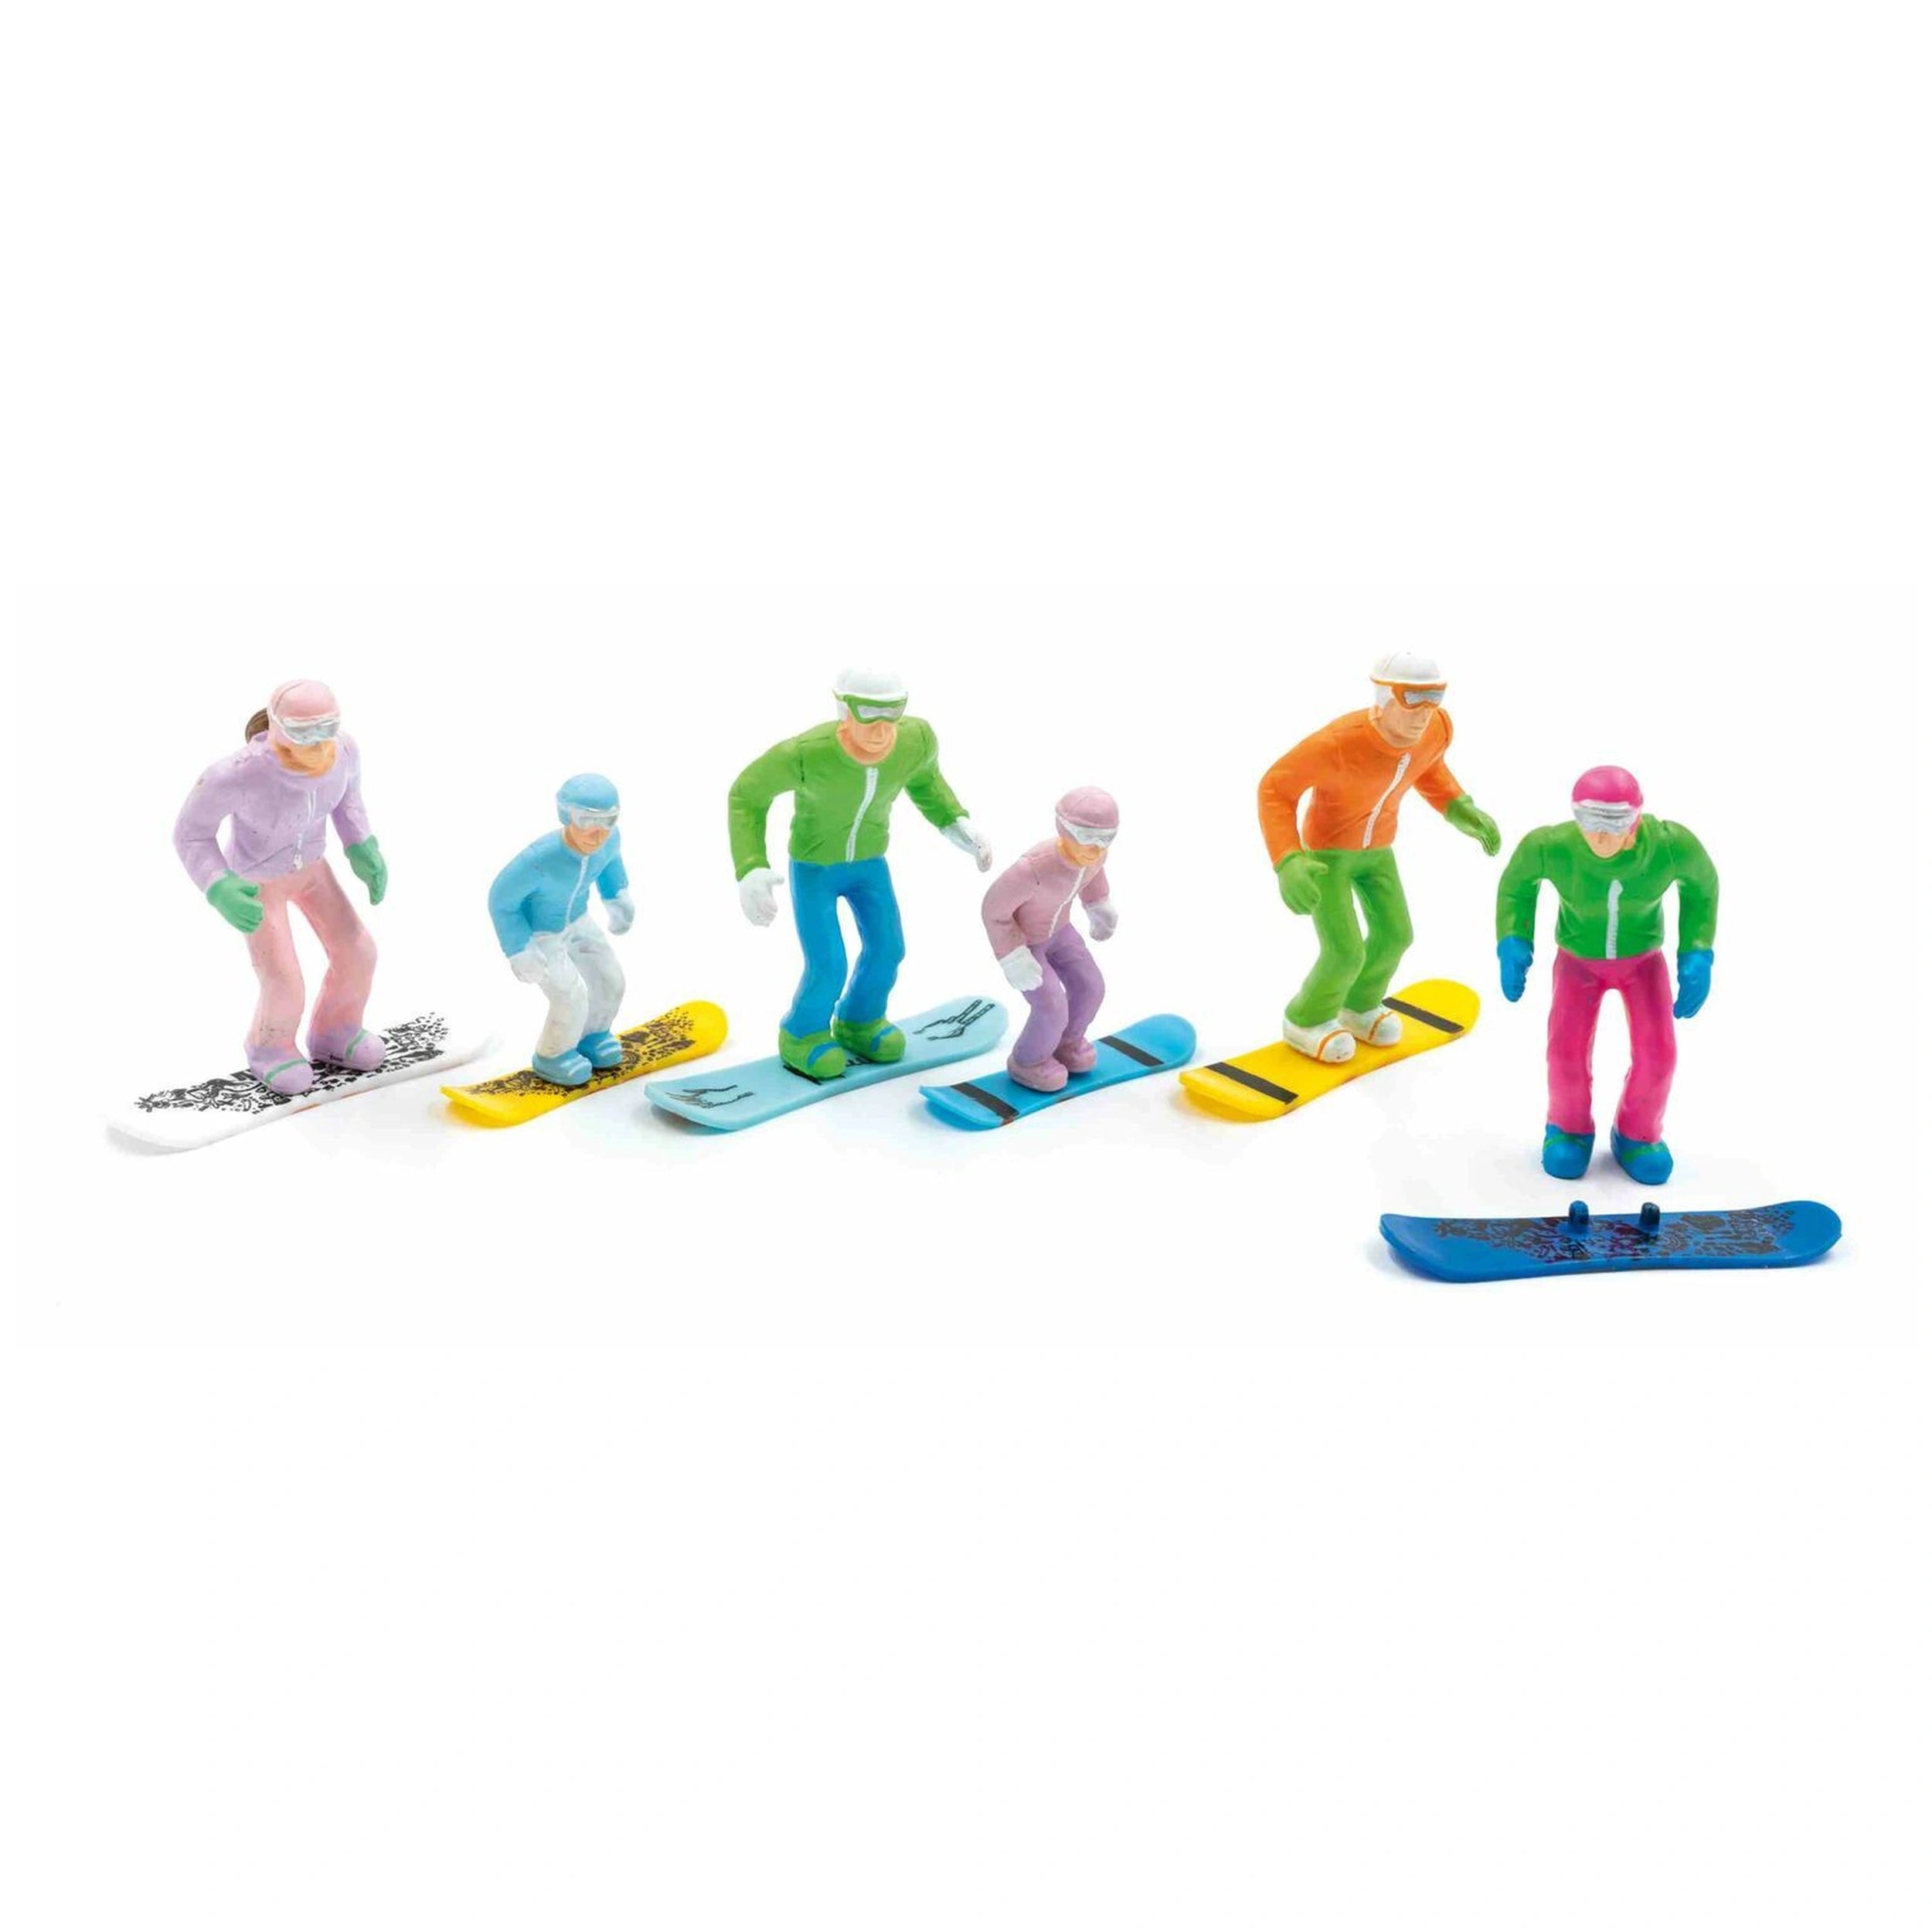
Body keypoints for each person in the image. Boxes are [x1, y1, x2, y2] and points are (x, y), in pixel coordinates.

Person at [728, 669, 991, 1080]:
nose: (882, 730)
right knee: (829, 962)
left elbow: (926, 782)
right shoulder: (806, 753)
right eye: (868, 714)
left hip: (870, 865)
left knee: (889, 948)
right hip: (814, 869)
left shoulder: (915, 740)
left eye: (894, 713)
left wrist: (956, 822)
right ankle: (802, 1033)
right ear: (843, 709)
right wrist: (751, 867)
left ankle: (860, 1020)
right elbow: (747, 795)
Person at [1257, 651, 1501, 1063]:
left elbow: (1428, 768)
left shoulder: (1435, 729)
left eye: (1435, 697)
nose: (1425, 712)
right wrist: (1288, 859)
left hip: (1379, 851)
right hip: (1328, 856)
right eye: (1412, 699)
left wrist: (1460, 807)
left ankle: (1359, 1005)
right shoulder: (1340, 742)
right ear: (1384, 697)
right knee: (1344, 950)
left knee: (1396, 934)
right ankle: (1306, 1019)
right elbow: (1275, 789)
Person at [1497, 764, 1718, 1183]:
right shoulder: (1552, 846)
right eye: (1588, 819)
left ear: (1635, 819)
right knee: (1565, 1052)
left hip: (1643, 963)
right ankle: (1567, 1128)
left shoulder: (1670, 845)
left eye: (1614, 822)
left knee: (1659, 1054)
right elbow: (1517, 885)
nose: (1600, 835)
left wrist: (1697, 951)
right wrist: (1513, 941)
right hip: (1577, 962)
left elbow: (1702, 886)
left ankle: (1638, 1133)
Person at [172, 679, 389, 1095]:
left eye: (327, 728)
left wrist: (362, 846)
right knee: (284, 978)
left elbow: (349, 802)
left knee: (359, 951)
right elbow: (191, 833)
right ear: (276, 728)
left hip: (313, 870)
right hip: (258, 880)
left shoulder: (345, 752)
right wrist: (218, 885)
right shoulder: (237, 774)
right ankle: (270, 1048)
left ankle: (336, 1031)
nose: (318, 744)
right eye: (303, 732)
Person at [488, 774, 637, 1087]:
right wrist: (519, 949)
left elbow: (611, 863)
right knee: (570, 995)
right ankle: (553, 1055)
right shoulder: (539, 859)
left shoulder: (610, 840)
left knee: (611, 980)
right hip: (543, 934)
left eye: (608, 820)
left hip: (580, 921)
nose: (598, 833)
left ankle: (593, 1035)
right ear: (566, 815)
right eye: (586, 820)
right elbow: (501, 900)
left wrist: (617, 896)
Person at [980, 787, 1121, 1091]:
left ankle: (1067, 1044)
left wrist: (1098, 905)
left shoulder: (1095, 856)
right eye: (1086, 836)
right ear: (1064, 828)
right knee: (1051, 1005)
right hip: (1026, 943)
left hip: (1061, 933)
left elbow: (1094, 875)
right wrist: (1012, 956)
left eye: (1106, 838)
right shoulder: (1032, 868)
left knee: (1090, 986)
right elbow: (993, 910)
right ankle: (1028, 1060)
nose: (1095, 849)